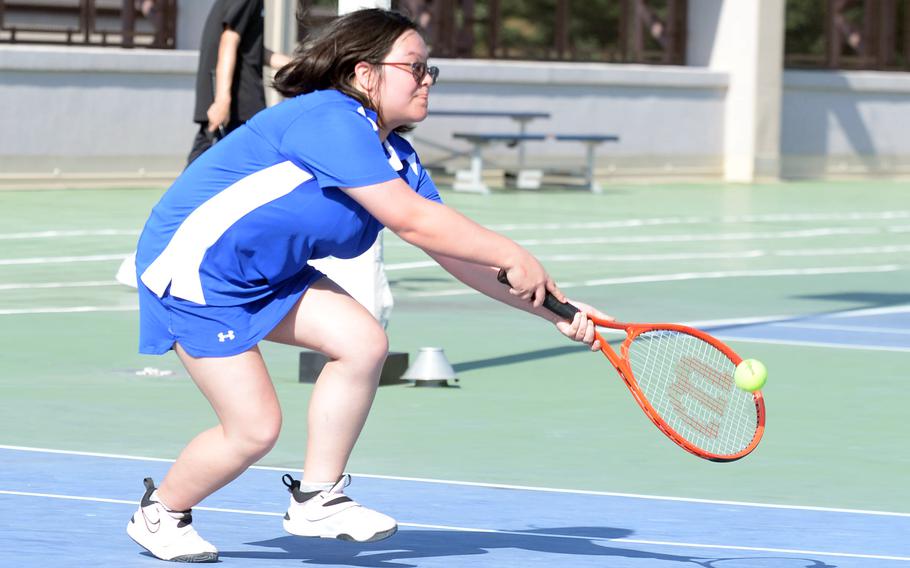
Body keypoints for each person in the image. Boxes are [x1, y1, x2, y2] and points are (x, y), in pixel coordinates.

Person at [125, 8, 606, 563]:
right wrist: (511, 251)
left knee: (363, 341)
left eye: (431, 71)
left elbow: (450, 250)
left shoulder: (397, 154)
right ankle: (162, 513)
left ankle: (317, 499)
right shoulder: (327, 119)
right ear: (364, 72)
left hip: (265, 273)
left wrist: (556, 310)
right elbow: (412, 221)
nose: (427, 80)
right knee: (254, 429)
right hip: (195, 272)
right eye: (414, 67)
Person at [187, 0, 292, 165]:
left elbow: (251, 49)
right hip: (236, 106)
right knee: (206, 169)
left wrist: (296, 64)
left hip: (239, 106)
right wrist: (222, 101)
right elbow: (228, 40)